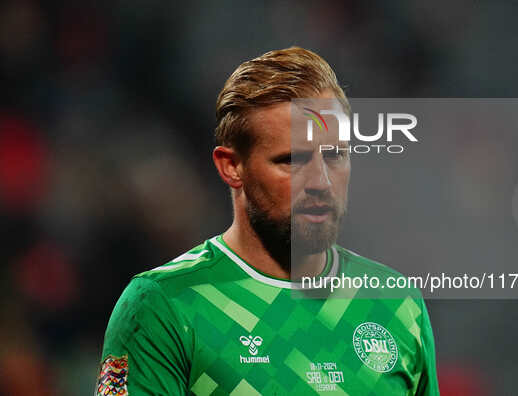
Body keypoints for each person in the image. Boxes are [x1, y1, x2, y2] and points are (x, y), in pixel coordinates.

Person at [96, 47, 439, 396]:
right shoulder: (164, 306)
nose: (321, 181)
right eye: (291, 160)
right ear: (231, 166)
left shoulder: (396, 301)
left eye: (336, 155)